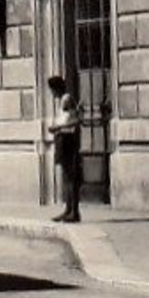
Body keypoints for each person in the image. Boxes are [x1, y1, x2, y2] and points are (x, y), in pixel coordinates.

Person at [46, 75, 82, 223]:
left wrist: (57, 127)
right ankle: (68, 210)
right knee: (67, 176)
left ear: (57, 88)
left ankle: (74, 211)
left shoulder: (67, 99)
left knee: (71, 176)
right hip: (62, 139)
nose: (52, 93)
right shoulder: (63, 101)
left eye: (52, 90)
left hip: (68, 140)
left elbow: (75, 120)